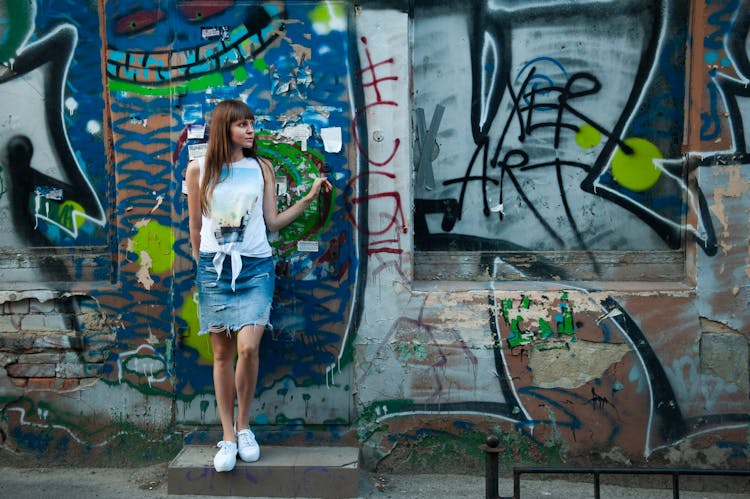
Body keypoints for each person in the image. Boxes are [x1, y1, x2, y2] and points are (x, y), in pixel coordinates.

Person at [185, 99, 332, 472]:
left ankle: (245, 426)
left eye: (251, 123)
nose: (250, 130)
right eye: (242, 125)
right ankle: (228, 436)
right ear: (225, 129)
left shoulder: (261, 167)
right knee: (221, 354)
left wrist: (310, 196)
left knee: (248, 348)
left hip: (256, 268)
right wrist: (203, 270)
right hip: (215, 271)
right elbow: (194, 230)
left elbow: (273, 221)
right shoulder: (198, 170)